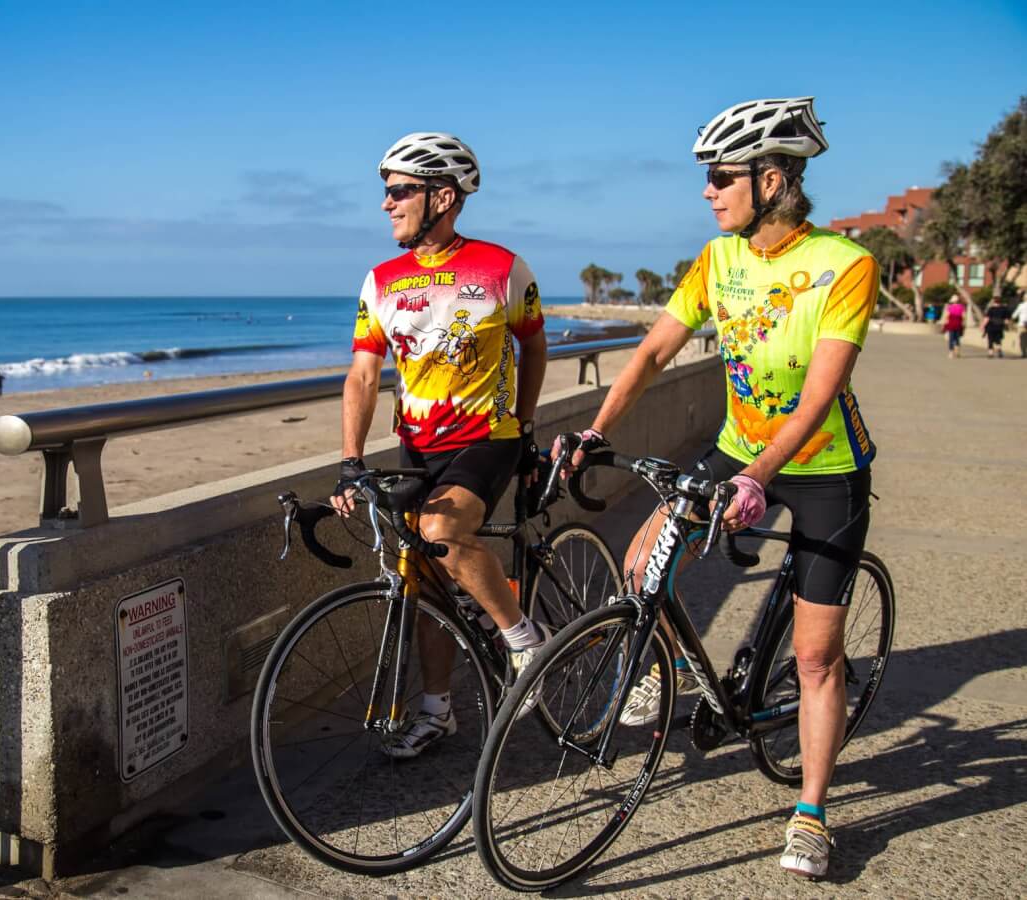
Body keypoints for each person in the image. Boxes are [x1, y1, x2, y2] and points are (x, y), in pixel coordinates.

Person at [556, 97, 877, 879]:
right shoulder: (717, 260)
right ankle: (664, 672)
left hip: (826, 466)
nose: (707, 190)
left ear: (772, 179)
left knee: (815, 659)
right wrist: (597, 430)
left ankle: (810, 812)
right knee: (643, 568)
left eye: (720, 175)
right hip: (738, 449)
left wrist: (760, 479)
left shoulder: (846, 265)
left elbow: (817, 399)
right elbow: (653, 354)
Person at [333, 131, 549, 758]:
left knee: (443, 535)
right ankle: (437, 711)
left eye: (398, 191)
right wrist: (351, 461)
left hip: (489, 437)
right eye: (387, 191)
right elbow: (363, 374)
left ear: (442, 196)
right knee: (424, 577)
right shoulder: (382, 280)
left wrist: (527, 422)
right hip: (416, 446)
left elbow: (534, 344)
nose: (386, 204)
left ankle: (523, 640)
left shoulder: (502, 269)